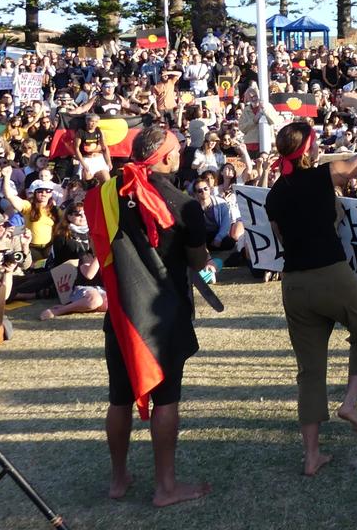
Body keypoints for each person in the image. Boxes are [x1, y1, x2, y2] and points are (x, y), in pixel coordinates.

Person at [85, 126, 215, 507]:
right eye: (177, 150)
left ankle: (119, 479)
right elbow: (198, 259)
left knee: (119, 398)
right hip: (163, 314)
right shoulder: (183, 202)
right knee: (167, 398)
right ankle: (166, 487)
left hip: (123, 313)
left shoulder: (109, 193)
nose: (181, 155)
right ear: (164, 157)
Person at [264, 93, 357, 477]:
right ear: (309, 152)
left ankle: (311, 456)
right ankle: (349, 401)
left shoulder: (274, 194)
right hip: (330, 273)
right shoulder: (323, 177)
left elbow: (281, 240)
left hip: (294, 284)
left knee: (310, 372)